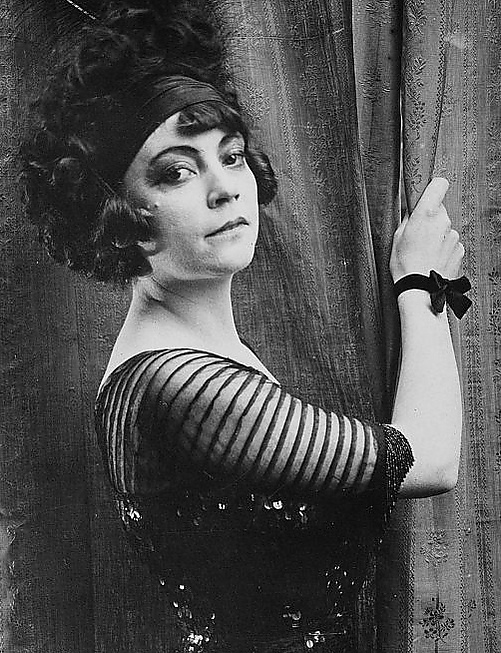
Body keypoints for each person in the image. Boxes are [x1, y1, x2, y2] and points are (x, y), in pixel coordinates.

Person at [21, 2, 468, 651]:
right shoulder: (184, 384)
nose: (224, 188)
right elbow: (429, 459)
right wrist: (420, 284)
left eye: (230, 156)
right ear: (118, 213)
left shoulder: (183, 352)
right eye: (177, 171)